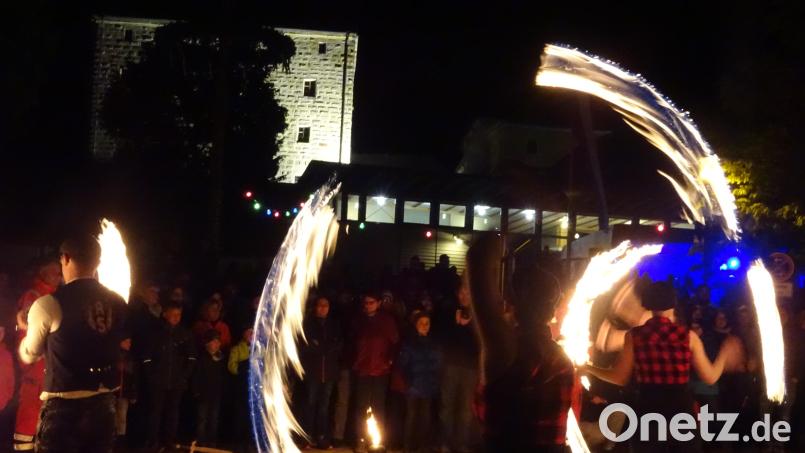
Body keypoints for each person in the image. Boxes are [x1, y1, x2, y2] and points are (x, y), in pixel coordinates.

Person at [583, 281, 738, 453]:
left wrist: (589, 368)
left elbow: (620, 378)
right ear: (673, 305)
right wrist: (724, 353)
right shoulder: (688, 337)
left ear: (648, 306)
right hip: (680, 412)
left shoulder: (635, 336)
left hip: (648, 410)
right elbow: (710, 377)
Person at [467, 236, 579, 453]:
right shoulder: (561, 356)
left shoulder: (505, 349)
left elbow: (477, 256)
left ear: (510, 304)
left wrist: (500, 239)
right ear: (552, 309)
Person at [18, 234, 128, 453]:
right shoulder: (118, 302)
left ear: (65, 258)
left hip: (63, 409)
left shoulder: (48, 304)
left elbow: (29, 354)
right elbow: (119, 342)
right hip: (104, 406)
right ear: (98, 262)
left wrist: (27, 329)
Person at [13, 257, 60, 452]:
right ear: (44, 273)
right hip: (35, 367)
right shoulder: (34, 297)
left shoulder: (53, 297)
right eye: (55, 272)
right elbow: (29, 333)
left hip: (47, 367)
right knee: (29, 417)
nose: (59, 276)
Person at [142, 301, 197, 450]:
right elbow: (146, 357)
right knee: (155, 412)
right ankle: (152, 441)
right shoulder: (155, 333)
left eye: (178, 315)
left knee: (172, 413)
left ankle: (169, 441)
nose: (176, 317)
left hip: (176, 382)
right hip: (158, 381)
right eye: (173, 314)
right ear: (165, 314)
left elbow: (192, 357)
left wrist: (184, 376)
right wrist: (152, 376)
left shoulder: (185, 334)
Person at [352, 291, 399, 452]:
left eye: (371, 302)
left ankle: (377, 440)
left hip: (380, 371)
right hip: (363, 370)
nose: (368, 305)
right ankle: (361, 439)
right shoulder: (359, 321)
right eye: (366, 302)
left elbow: (394, 343)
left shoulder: (387, 321)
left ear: (378, 303)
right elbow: (353, 343)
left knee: (378, 408)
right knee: (361, 407)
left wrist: (389, 361)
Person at [437, 278, 479, 453]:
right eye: (461, 292)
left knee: (465, 409)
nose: (464, 295)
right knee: (447, 407)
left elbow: (479, 343)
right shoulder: (448, 311)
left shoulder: (477, 315)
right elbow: (442, 338)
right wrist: (456, 325)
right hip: (450, 366)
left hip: (470, 368)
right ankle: (445, 443)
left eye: (467, 292)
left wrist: (468, 326)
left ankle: (460, 443)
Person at [301, 297, 342, 449]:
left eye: (326, 305)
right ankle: (307, 437)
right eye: (320, 305)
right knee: (310, 404)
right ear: (315, 307)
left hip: (329, 372)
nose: (323, 308)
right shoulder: (309, 324)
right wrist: (320, 348)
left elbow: (337, 344)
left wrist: (323, 347)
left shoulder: (334, 324)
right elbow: (306, 345)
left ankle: (322, 437)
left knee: (324, 406)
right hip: (313, 371)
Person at [399, 312, 442, 453]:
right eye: (421, 323)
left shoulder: (434, 342)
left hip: (429, 385)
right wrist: (409, 380)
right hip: (413, 386)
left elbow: (438, 363)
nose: (424, 326)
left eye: (427, 323)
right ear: (415, 325)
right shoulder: (410, 342)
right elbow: (403, 364)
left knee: (425, 417)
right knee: (411, 417)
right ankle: (409, 447)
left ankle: (423, 447)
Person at [191, 329, 225, 446]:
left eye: (218, 342)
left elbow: (222, 377)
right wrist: (196, 391)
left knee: (214, 418)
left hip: (215, 394)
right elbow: (196, 376)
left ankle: (212, 441)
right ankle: (201, 441)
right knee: (202, 418)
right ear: (208, 343)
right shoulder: (201, 358)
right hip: (203, 394)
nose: (217, 344)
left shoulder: (220, 358)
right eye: (215, 341)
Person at [115, 336, 138, 445]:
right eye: (126, 342)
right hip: (113, 391)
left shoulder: (130, 358)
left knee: (122, 416)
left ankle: (120, 439)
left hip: (124, 392)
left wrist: (133, 393)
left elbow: (133, 377)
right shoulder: (114, 356)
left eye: (130, 342)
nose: (129, 344)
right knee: (113, 416)